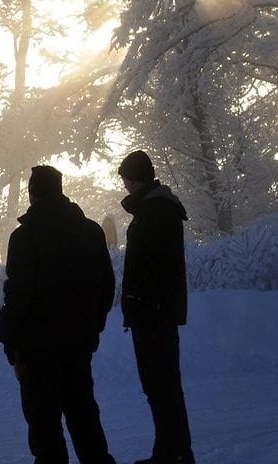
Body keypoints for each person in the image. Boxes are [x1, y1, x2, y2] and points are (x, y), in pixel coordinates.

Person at [0, 165, 117, 464]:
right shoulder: (91, 232)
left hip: (37, 348)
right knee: (84, 416)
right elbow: (106, 284)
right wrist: (93, 328)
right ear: (61, 190)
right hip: (79, 342)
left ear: (32, 194)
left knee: (44, 426)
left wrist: (10, 343)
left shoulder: (24, 238)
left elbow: (18, 294)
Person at [117, 150, 194, 464]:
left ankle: (174, 454)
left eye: (125, 179)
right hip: (155, 311)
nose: (124, 186)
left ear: (135, 179)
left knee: (161, 386)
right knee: (162, 387)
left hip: (153, 314)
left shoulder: (155, 211)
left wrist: (137, 301)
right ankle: (169, 451)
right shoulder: (158, 208)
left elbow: (154, 265)